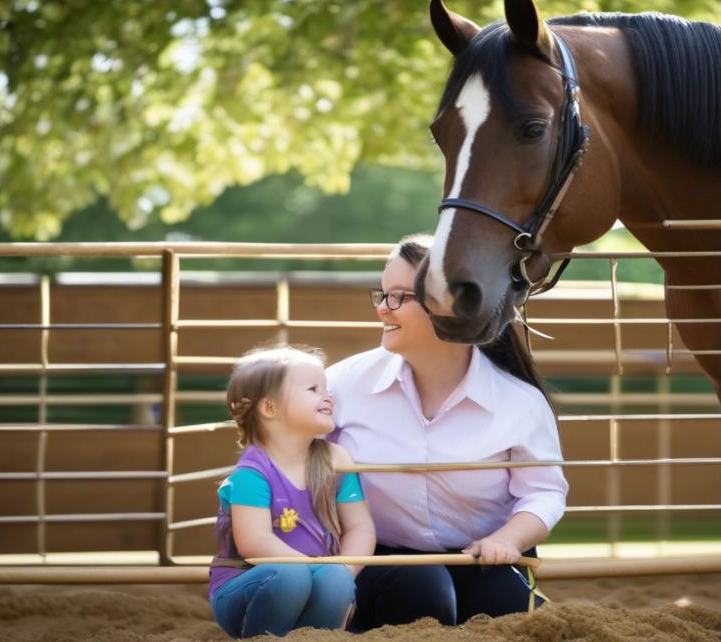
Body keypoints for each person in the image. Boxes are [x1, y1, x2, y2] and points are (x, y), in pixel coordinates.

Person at [327, 234, 568, 631]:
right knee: (422, 589)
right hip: (374, 560)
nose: (382, 311)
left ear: (452, 307)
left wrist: (508, 539)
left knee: (510, 609)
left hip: (481, 558)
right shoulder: (340, 385)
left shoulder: (520, 403)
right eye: (382, 295)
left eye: (399, 297)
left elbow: (543, 492)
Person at [208, 345, 376, 638]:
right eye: (313, 388)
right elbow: (254, 541)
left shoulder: (336, 459)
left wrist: (344, 570)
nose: (328, 396)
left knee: (335, 577)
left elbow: (360, 526)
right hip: (248, 588)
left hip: (313, 579)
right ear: (269, 408)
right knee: (289, 574)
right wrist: (312, 568)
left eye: (326, 388)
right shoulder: (252, 473)